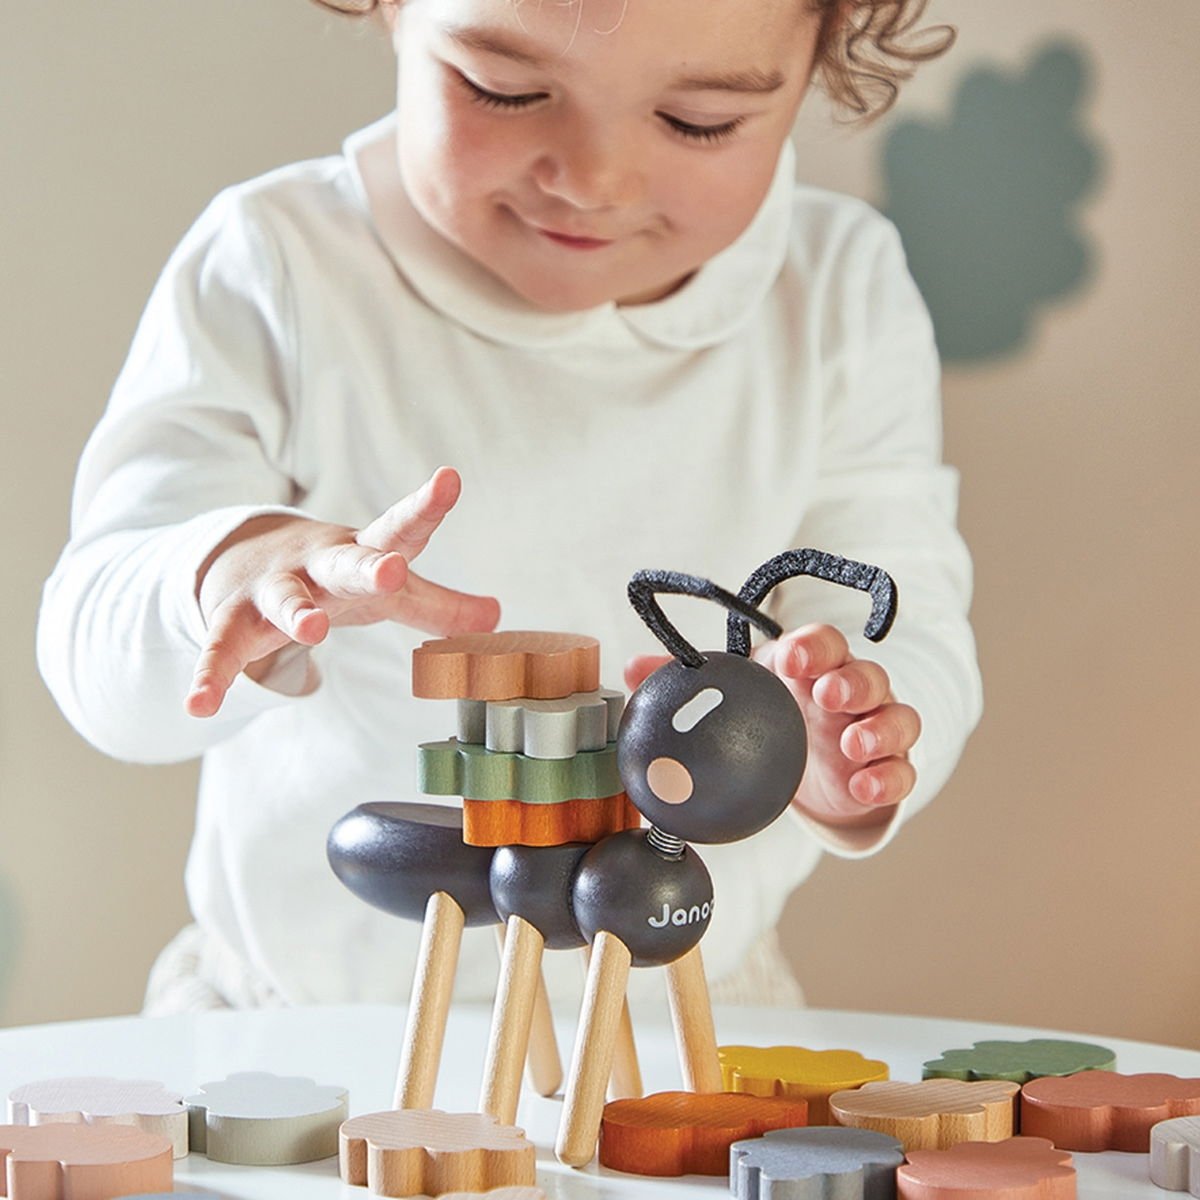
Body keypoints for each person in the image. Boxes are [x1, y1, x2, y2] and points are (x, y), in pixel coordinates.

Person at [38, 0, 982, 1014]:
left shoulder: (840, 288)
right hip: (307, 1026)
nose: (592, 179)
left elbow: (903, 599)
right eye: (507, 90)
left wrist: (841, 735)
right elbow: (97, 645)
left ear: (813, 68)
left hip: (686, 1025)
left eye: (700, 120)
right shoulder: (279, 264)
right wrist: (238, 578)